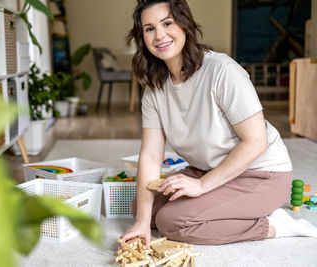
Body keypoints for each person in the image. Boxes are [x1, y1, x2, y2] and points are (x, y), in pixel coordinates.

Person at [121, 0, 317, 247]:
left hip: (260, 174)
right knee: (142, 209)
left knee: (172, 222)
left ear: (184, 24)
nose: (159, 35)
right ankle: (225, 206)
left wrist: (202, 185)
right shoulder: (155, 89)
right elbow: (150, 155)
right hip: (210, 169)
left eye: (167, 23)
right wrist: (140, 221)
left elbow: (256, 142)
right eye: (149, 28)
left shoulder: (221, 70)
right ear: (142, 37)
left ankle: (273, 225)